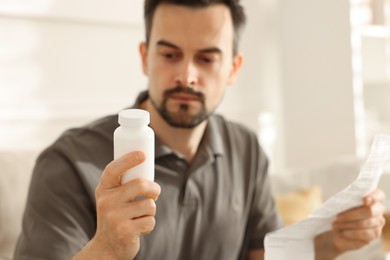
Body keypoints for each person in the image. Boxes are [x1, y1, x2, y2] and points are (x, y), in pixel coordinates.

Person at [14, 0, 386, 259]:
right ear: (145, 57)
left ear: (234, 68)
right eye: (170, 54)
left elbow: (263, 256)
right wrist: (108, 248)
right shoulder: (68, 164)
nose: (187, 75)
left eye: (207, 58)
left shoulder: (246, 149)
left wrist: (332, 243)